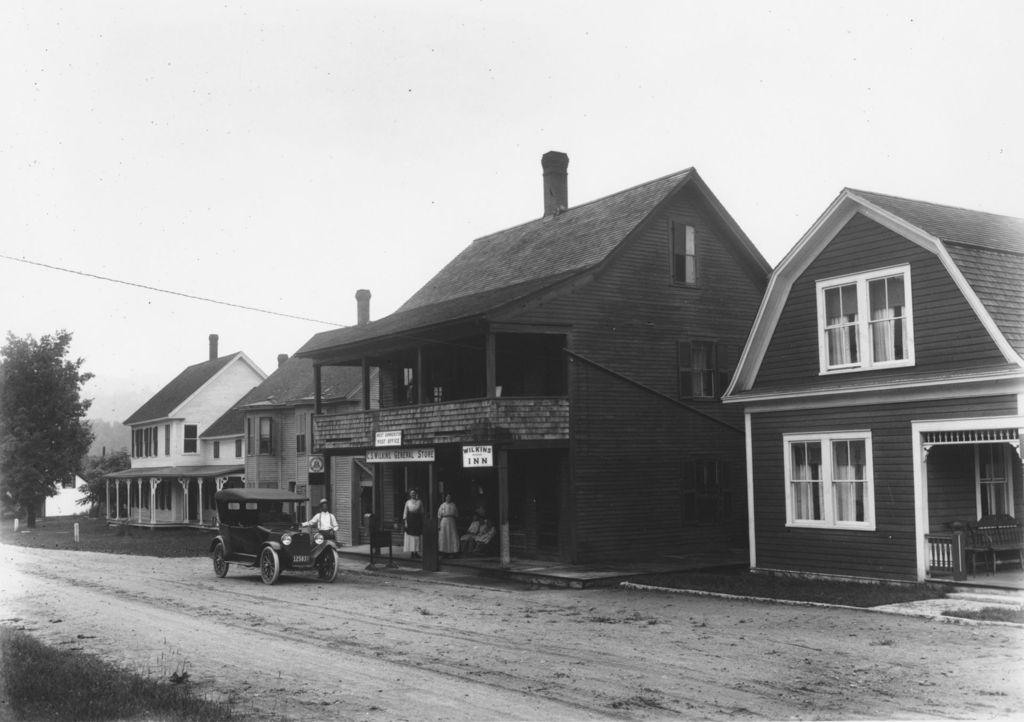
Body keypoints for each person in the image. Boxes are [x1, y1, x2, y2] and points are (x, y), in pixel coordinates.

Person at [402, 488, 423, 559]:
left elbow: (422, 512)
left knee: (417, 537)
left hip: (417, 520)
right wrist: (406, 522)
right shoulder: (407, 502)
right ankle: (412, 553)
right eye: (411, 493)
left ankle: (416, 552)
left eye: (414, 493)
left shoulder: (419, 502)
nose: (413, 494)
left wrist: (421, 521)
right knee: (411, 537)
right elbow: (405, 512)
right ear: (410, 494)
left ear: (416, 494)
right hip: (410, 520)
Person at [437, 492, 459, 557]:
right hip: (444, 521)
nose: (448, 498)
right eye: (447, 497)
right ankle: (444, 552)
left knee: (452, 536)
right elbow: (439, 516)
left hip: (451, 521)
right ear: (445, 498)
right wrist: (438, 525)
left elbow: (456, 515)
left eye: (450, 497)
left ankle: (452, 552)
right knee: (444, 536)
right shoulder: (442, 505)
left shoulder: (453, 505)